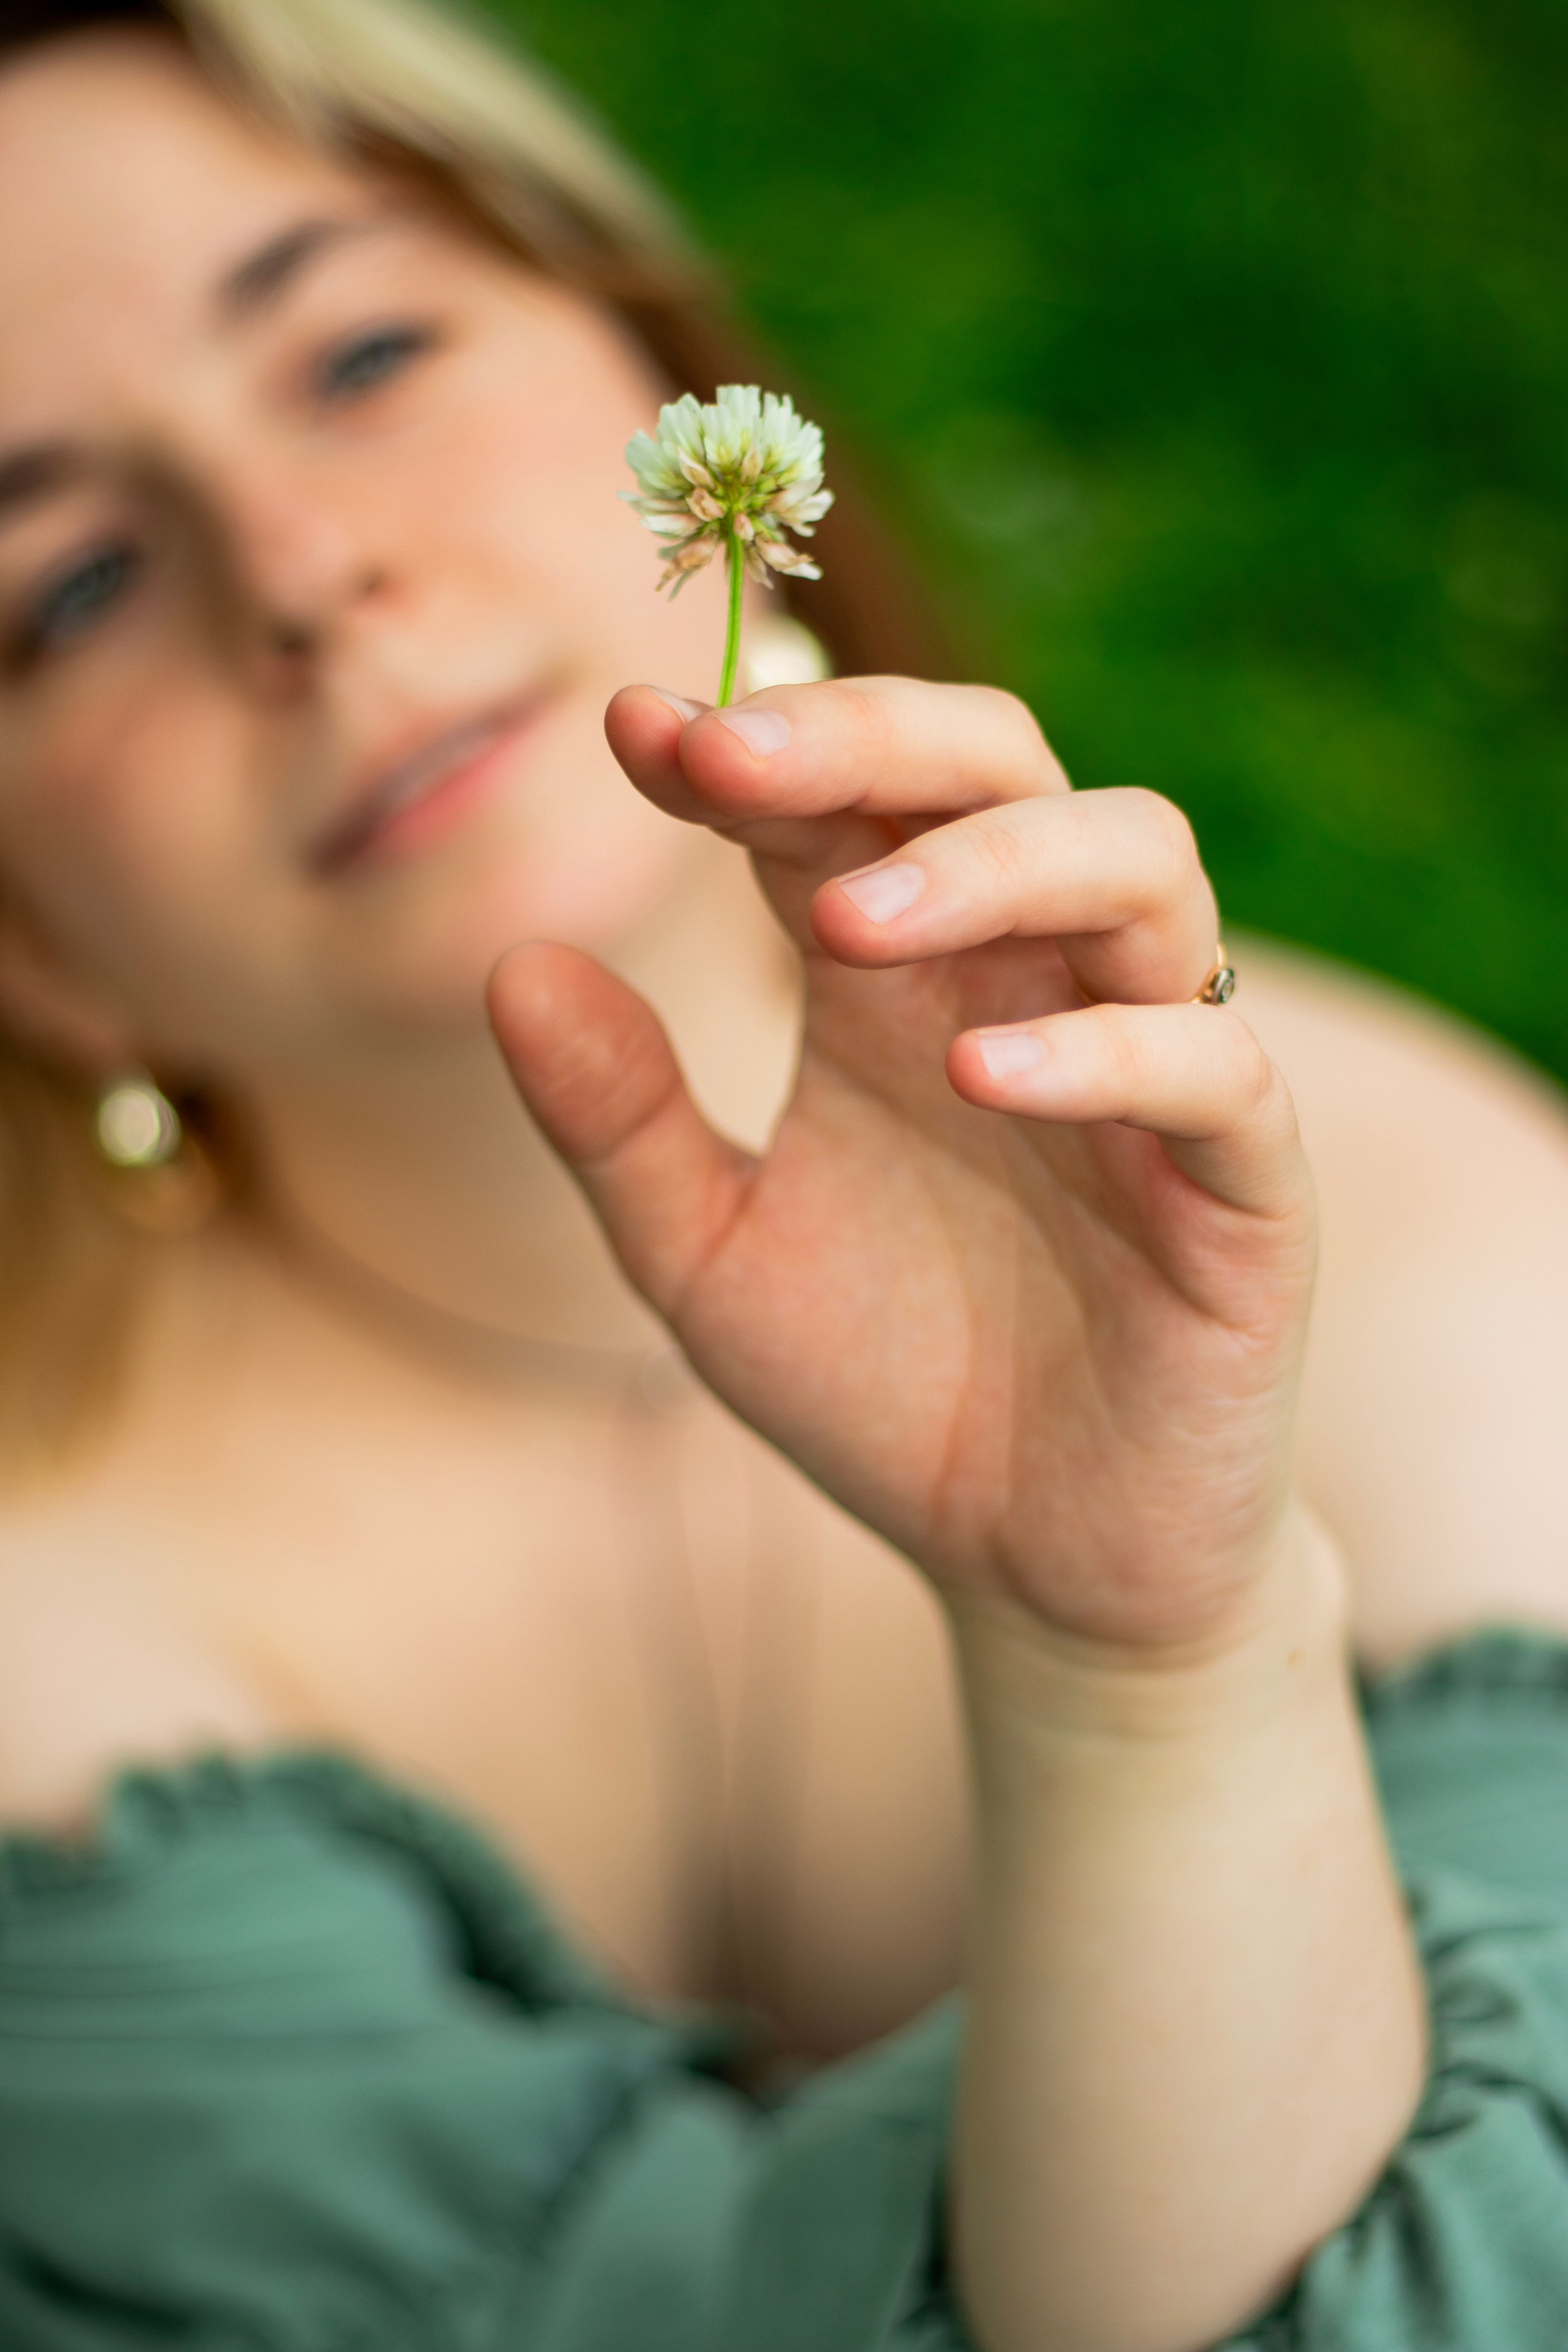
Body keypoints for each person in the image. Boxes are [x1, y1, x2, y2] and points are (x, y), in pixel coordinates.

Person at [0, 2, 1564, 2346]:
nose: (304, 572)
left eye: (359, 351)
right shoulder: (54, 1666)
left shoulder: (1439, 1237)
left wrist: (1148, 1657)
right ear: (36, 962)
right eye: (68, 590)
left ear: (661, 362)